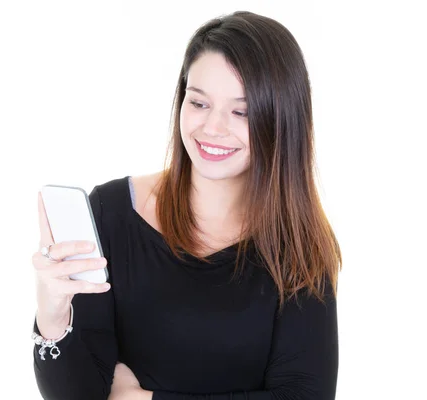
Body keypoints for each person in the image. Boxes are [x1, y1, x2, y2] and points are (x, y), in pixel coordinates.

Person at [31, 10, 341, 400]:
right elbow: (77, 395)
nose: (212, 128)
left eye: (241, 111)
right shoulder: (112, 212)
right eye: (198, 103)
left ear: (281, 120)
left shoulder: (298, 244)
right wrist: (54, 316)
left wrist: (140, 399)